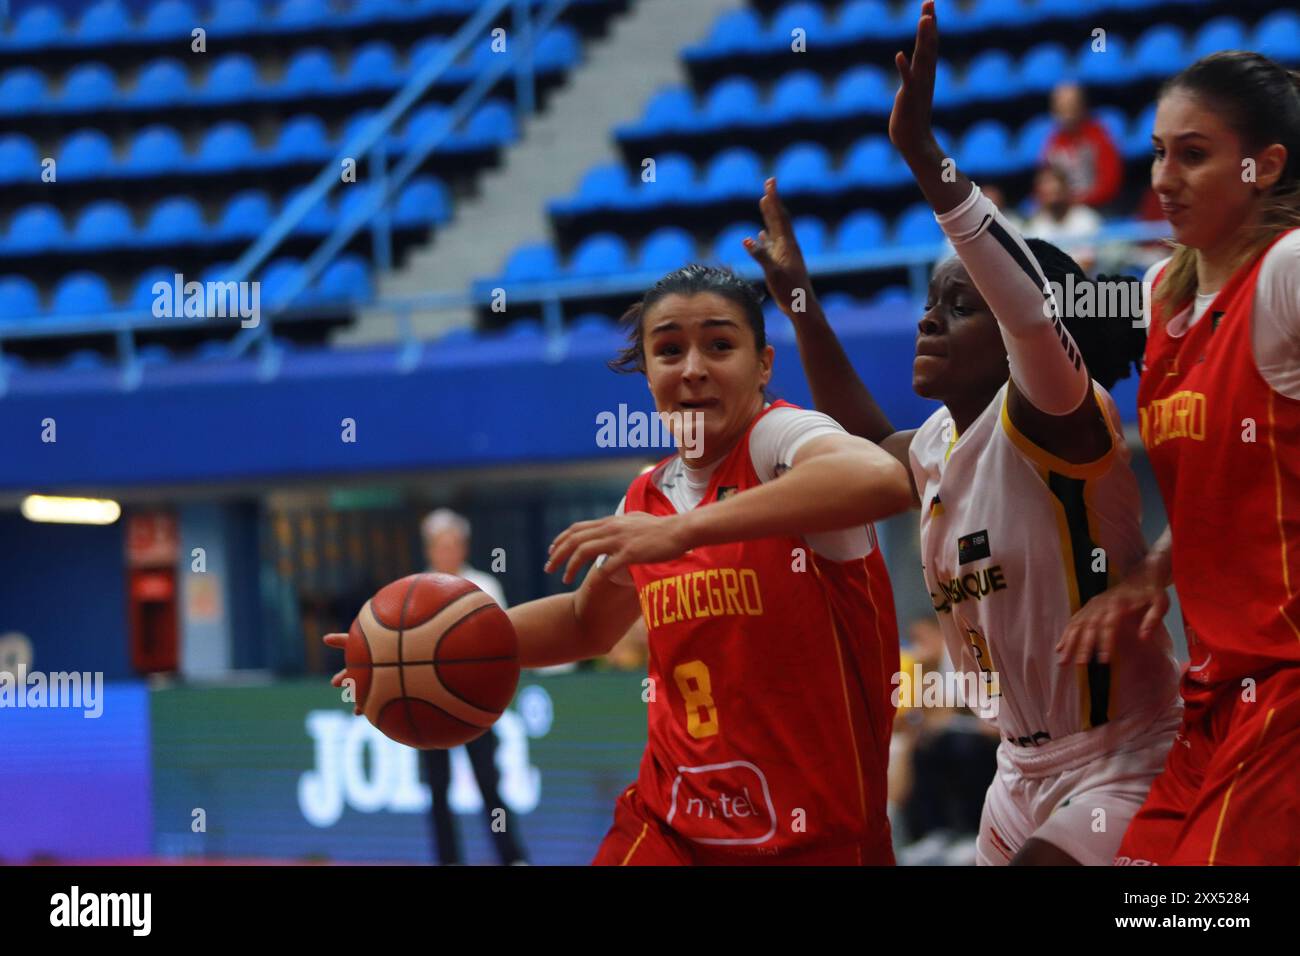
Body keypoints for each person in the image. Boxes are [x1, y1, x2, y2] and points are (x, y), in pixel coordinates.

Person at [744, 1, 1181, 865]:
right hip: (1017, 766)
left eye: (958, 306)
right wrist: (797, 297)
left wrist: (924, 158)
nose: (927, 323)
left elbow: (1027, 311)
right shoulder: (944, 443)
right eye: (927, 304)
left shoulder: (1060, 415)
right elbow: (863, 435)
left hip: (1124, 755)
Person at [329, 264, 914, 864]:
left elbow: (882, 477)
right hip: (671, 823)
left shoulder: (777, 441)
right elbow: (586, 624)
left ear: (763, 364)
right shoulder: (646, 496)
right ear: (648, 372)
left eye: (719, 345)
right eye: (668, 350)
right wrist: (410, 653)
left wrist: (682, 533)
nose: (692, 367)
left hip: (815, 836)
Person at [1058, 51, 1300, 866]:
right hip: (1214, 691)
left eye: (1192, 154)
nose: (1164, 177)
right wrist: (1153, 574)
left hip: (1287, 686)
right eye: (1159, 152)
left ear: (1264, 166)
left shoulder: (1289, 271)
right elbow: (1219, 489)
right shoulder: (1164, 294)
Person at [419, 508, 528, 866]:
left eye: (453, 545)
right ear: (429, 550)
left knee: (488, 783)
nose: (446, 552)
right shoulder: (413, 592)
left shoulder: (486, 585)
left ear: (463, 548)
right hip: (429, 708)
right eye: (439, 545)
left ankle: (511, 857)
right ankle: (447, 860)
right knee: (436, 789)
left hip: (475, 704)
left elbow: (503, 641)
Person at [1043, 81, 1124, 209]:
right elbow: (1045, 181)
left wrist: (1079, 201)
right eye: (1061, 107)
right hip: (1064, 209)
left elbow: (1110, 182)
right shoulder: (1053, 142)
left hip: (1098, 208)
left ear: (1082, 106)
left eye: (1071, 105)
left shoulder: (1098, 135)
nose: (1067, 112)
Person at [1023, 165, 1103, 271]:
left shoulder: (1086, 218)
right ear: (1039, 195)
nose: (1053, 199)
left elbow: (1087, 262)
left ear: (1066, 190)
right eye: (1047, 194)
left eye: (1056, 193)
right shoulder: (1034, 227)